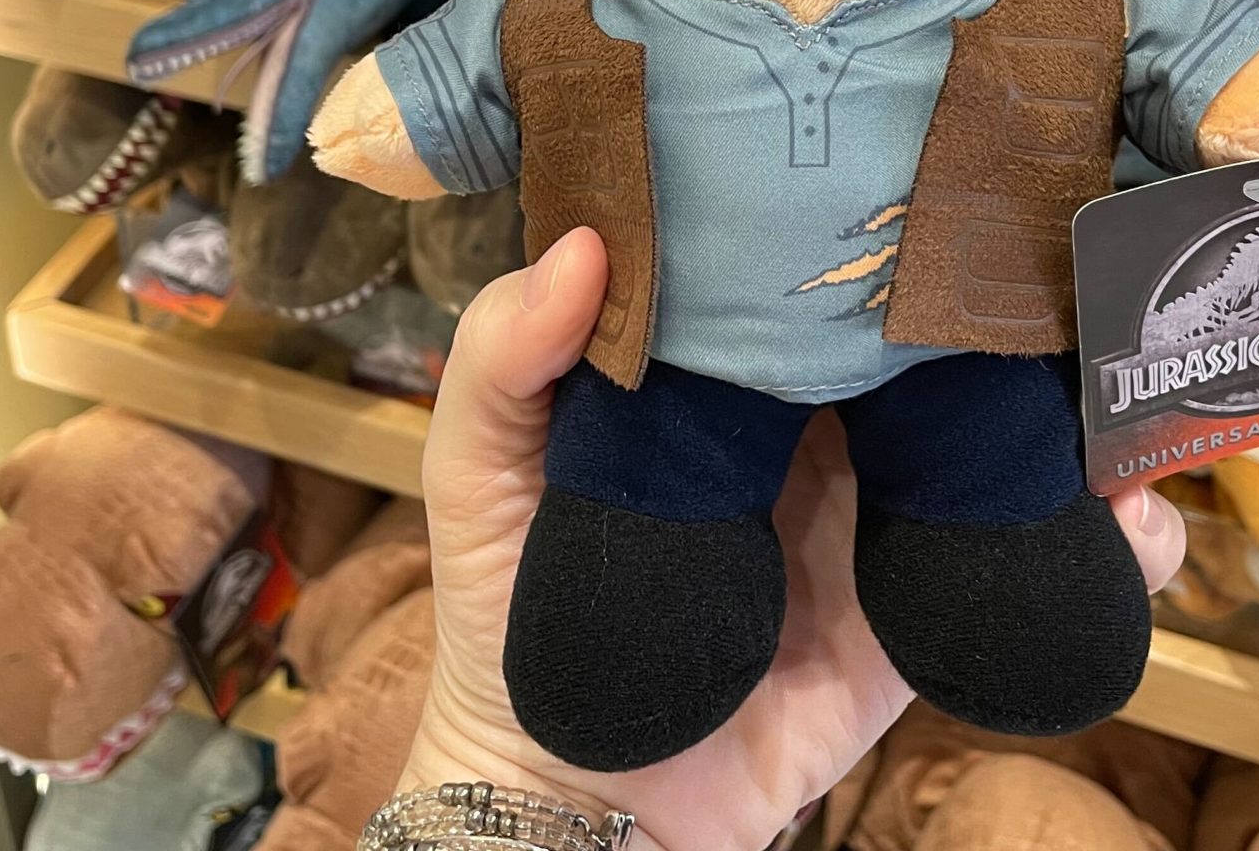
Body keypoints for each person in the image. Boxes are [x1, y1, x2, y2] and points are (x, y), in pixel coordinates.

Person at [377, 226, 1192, 851]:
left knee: (1021, 567)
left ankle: (983, 509)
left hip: (957, 289)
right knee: (629, 605)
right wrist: (540, 788)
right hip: (681, 304)